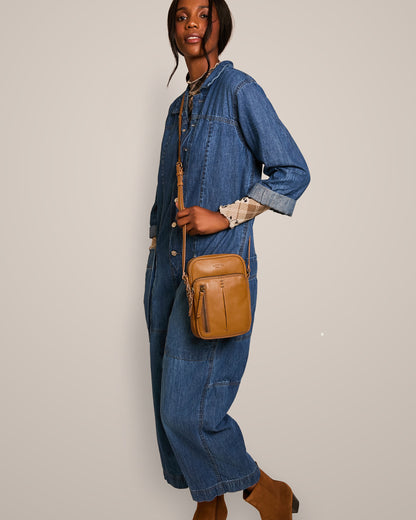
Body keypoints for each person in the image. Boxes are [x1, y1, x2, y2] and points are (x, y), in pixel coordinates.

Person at [143, 1, 310, 518]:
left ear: (221, 24)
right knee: (171, 403)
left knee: (187, 409)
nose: (191, 24)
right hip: (168, 271)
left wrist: (225, 214)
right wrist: (153, 257)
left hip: (217, 274)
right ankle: (210, 506)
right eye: (180, 16)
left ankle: (265, 491)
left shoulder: (240, 91)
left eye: (202, 14)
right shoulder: (178, 107)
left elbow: (292, 172)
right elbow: (161, 198)